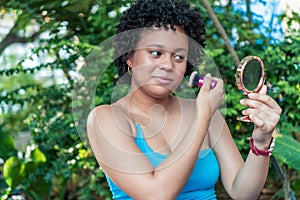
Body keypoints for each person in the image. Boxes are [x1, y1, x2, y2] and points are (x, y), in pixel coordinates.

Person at [87, 0, 282, 199]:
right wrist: (202, 117)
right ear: (130, 57)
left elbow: (242, 193)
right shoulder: (106, 118)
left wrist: (261, 140)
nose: (167, 65)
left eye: (179, 57)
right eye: (156, 53)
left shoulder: (205, 112)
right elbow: (157, 195)